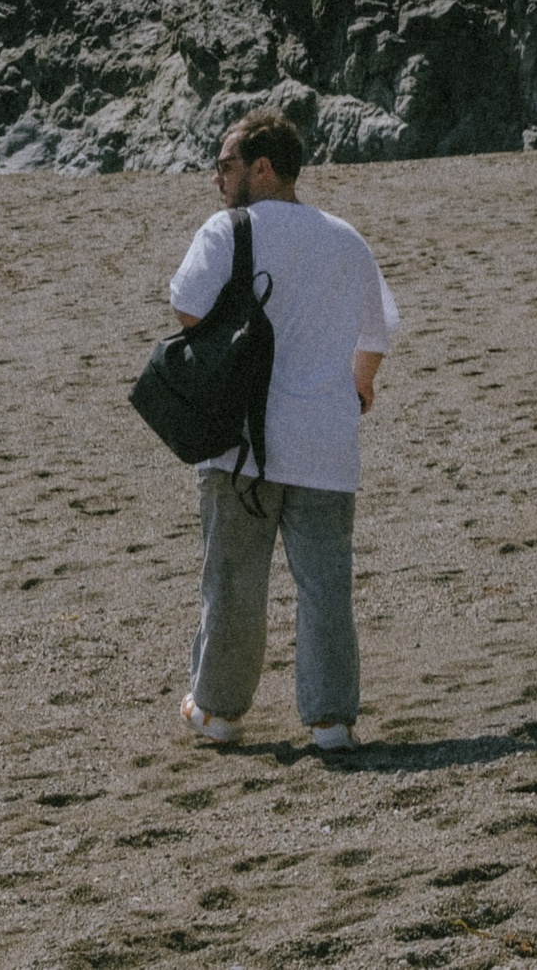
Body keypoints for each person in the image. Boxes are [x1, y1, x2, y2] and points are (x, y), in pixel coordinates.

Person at [169, 108, 399, 751]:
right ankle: (331, 722)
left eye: (226, 165)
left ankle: (216, 713)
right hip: (326, 440)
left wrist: (231, 354)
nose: (218, 179)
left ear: (261, 168)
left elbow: (186, 304)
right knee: (325, 585)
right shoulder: (345, 238)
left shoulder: (228, 230)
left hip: (242, 439)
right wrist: (360, 381)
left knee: (235, 581)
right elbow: (378, 328)